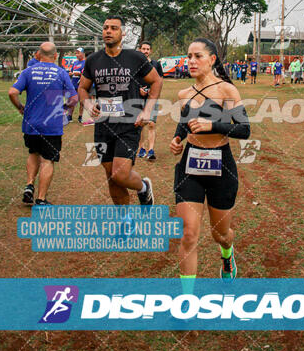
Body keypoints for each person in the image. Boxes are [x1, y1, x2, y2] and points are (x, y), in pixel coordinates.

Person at [170, 38, 250, 281]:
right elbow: (185, 122)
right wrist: (177, 139)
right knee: (188, 234)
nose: (191, 61)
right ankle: (187, 301)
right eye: (189, 56)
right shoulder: (184, 93)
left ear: (212, 59)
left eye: (198, 56)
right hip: (190, 165)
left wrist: (212, 125)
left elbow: (244, 130)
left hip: (220, 166)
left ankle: (227, 254)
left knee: (221, 234)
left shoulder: (227, 90)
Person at [78, 15, 163, 206]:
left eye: (114, 28)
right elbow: (82, 88)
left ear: (122, 34)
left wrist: (147, 110)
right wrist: (89, 105)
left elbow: (156, 80)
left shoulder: (135, 57)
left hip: (129, 123)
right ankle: (125, 221)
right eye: (106, 27)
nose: (108, 31)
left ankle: (143, 187)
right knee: (111, 175)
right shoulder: (93, 60)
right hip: (103, 125)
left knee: (120, 173)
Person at [8, 42, 77, 205]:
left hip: (31, 123)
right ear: (55, 56)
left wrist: (20, 107)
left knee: (33, 153)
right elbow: (73, 98)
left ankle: (29, 185)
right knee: (47, 160)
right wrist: (65, 107)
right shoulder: (61, 73)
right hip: (51, 125)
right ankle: (41, 199)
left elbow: (12, 92)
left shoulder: (28, 71)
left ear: (38, 54)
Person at [137, 41, 164, 161]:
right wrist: (139, 89)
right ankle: (141, 149)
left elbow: (160, 81)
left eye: (148, 49)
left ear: (150, 51)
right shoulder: (135, 64)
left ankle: (151, 150)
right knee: (141, 125)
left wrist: (154, 93)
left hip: (152, 98)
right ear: (140, 49)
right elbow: (132, 79)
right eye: (143, 49)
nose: (146, 51)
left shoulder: (156, 64)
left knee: (152, 124)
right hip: (138, 98)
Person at [66, 47, 86, 123]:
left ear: (83, 54)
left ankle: (80, 116)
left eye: (78, 53)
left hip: (82, 85)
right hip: (73, 84)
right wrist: (71, 73)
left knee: (81, 101)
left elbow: (85, 73)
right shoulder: (75, 63)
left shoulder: (85, 63)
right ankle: (69, 116)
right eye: (76, 53)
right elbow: (71, 71)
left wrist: (78, 73)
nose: (77, 54)